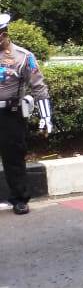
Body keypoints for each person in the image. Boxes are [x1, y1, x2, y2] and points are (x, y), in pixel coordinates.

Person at [0, 14, 53, 215]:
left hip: (10, 115)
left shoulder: (24, 57)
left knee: (14, 158)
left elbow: (39, 88)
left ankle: (20, 199)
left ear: (3, 34)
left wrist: (46, 117)